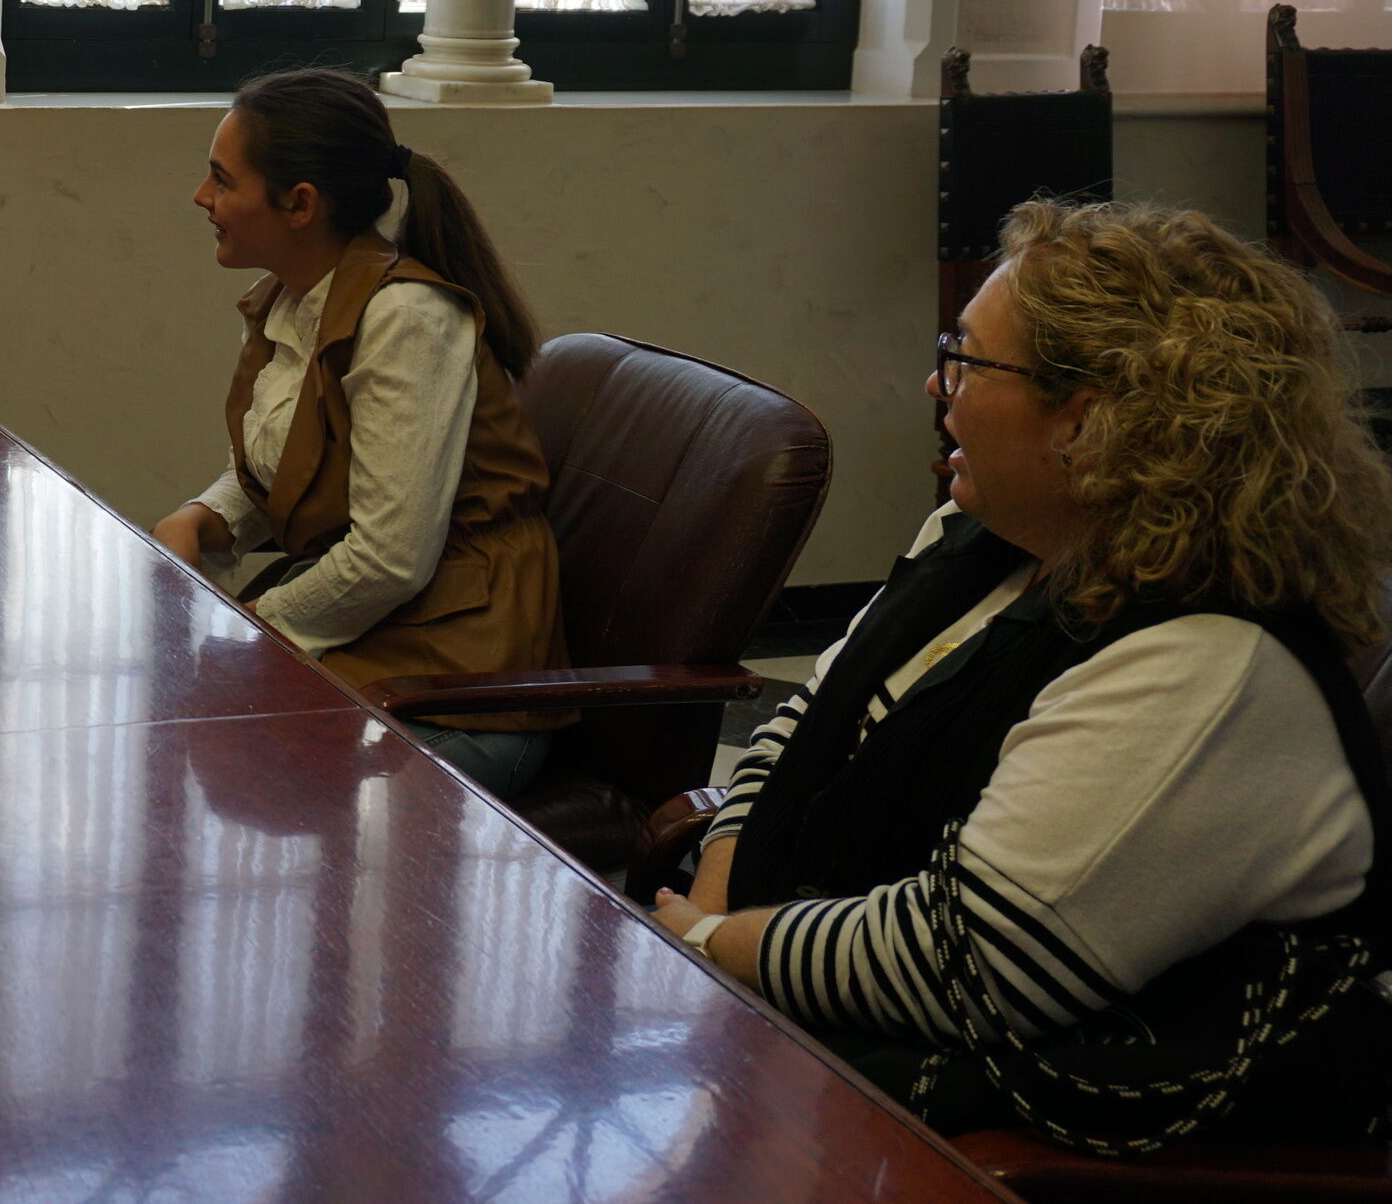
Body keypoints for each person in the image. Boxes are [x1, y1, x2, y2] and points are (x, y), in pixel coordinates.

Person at [652, 200, 1391, 1151]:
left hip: (1038, 1146)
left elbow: (965, 962)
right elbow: (803, 723)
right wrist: (716, 909)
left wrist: (713, 949)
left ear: (1087, 421)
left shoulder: (1206, 663)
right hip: (806, 1035)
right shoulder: (984, 542)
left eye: (965, 361)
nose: (935, 382)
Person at [150, 67, 571, 797]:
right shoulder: (292, 299)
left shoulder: (405, 318)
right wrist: (203, 518)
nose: (201, 198)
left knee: (218, 772)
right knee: (169, 735)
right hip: (379, 643)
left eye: (222, 180)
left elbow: (390, 559)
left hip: (463, 686)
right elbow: (284, 468)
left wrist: (255, 628)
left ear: (300, 204)